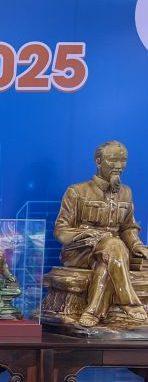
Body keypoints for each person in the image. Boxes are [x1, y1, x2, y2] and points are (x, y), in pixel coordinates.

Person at [53, 140, 148, 327]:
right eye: (113, 160)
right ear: (98, 161)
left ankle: (94, 311)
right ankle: (129, 302)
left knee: (109, 257)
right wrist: (85, 236)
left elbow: (128, 228)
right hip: (80, 251)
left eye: (124, 161)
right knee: (114, 245)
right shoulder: (76, 192)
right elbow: (61, 230)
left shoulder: (126, 193)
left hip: (114, 253)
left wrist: (137, 246)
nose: (119, 166)